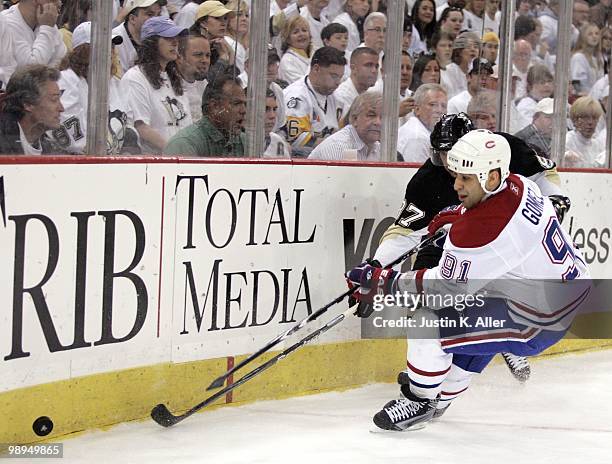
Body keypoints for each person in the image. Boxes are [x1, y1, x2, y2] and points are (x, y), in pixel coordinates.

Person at [347, 127, 589, 432]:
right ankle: (442, 396)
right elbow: (487, 217)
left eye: (465, 178)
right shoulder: (519, 184)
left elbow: (442, 289)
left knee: (428, 318)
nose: (456, 184)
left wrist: (383, 281)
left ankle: (419, 401)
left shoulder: (482, 232)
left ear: (491, 176)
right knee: (476, 317)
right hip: (567, 291)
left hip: (539, 318)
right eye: (456, 174)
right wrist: (458, 215)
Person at [51, 21, 139, 155]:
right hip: (75, 164)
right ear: (84, 51)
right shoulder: (66, 80)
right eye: (103, 46)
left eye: (112, 46)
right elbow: (70, 137)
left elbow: (129, 129)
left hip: (113, 163)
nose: (110, 51)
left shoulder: (115, 83)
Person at [121, 16, 192, 154]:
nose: (175, 43)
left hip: (179, 160)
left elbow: (186, 124)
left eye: (176, 38)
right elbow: (141, 127)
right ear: (152, 43)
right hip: (151, 163)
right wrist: (176, 152)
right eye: (168, 38)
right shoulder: (135, 77)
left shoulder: (174, 78)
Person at [282, 46, 346, 154]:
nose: (338, 82)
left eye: (340, 77)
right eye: (334, 76)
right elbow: (297, 141)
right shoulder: (297, 97)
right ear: (316, 69)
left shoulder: (334, 98)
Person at [164, 73, 246, 156]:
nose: (243, 111)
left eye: (244, 104)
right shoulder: (184, 144)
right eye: (236, 103)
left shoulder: (245, 141)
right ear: (215, 107)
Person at [0, 64, 64, 155]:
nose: (62, 109)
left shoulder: (50, 147)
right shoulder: (3, 143)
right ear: (27, 103)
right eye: (54, 100)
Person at [308, 90, 382, 161]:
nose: (378, 122)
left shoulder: (379, 148)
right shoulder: (338, 147)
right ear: (354, 119)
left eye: (382, 117)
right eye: (371, 115)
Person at [2, 0, 67, 76]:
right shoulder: (6, 23)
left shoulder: (48, 23)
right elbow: (31, 71)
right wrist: (47, 28)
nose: (59, 3)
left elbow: (63, 64)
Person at [397, 83, 447, 163]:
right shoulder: (418, 138)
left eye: (443, 106)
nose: (439, 110)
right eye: (433, 104)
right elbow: (416, 174)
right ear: (417, 109)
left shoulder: (423, 131)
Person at [113, 0, 163, 75]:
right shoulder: (115, 41)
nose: (156, 20)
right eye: (150, 14)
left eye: (158, 15)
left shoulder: (157, 38)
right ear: (132, 19)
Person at [333, 47, 379, 120]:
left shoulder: (369, 94)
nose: (374, 71)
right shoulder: (341, 96)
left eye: (376, 66)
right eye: (368, 65)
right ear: (353, 68)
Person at [564, 95, 606, 168]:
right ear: (575, 120)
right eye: (585, 118)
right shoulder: (567, 142)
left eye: (594, 118)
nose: (590, 122)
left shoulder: (597, 145)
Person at [176, 33, 210, 121]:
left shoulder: (206, 86)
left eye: (208, 55)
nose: (205, 60)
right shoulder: (167, 86)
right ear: (179, 58)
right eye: (198, 55)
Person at [279, 15, 313, 84]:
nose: (301, 34)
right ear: (288, 39)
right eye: (295, 32)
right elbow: (300, 85)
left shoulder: (316, 54)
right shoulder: (287, 61)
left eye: (304, 30)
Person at [263, 88, 291, 158]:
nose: (272, 116)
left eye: (274, 109)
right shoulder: (236, 142)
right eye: (265, 109)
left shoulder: (278, 141)